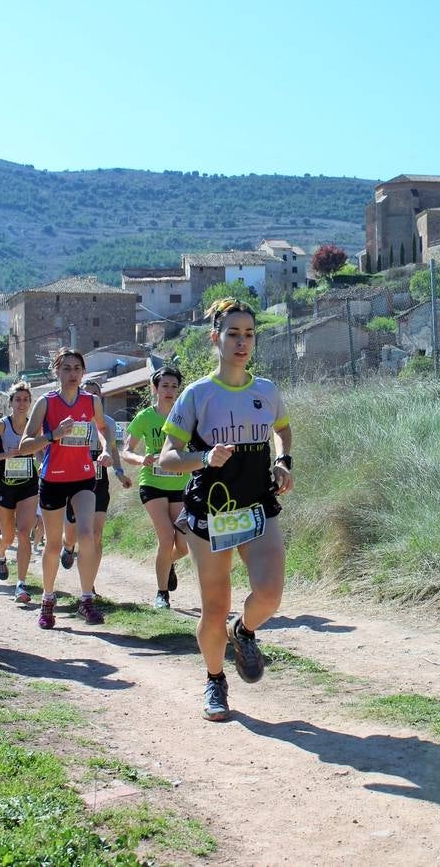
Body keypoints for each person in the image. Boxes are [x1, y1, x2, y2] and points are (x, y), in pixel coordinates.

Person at [159, 298, 293, 721]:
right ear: (215, 338)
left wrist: (282, 461)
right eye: (233, 334)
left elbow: (283, 433)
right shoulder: (198, 394)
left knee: (270, 593)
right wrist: (203, 458)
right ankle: (215, 680)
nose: (242, 342)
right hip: (211, 514)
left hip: (257, 506)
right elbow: (167, 458)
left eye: (249, 334)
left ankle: (245, 630)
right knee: (214, 607)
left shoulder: (266, 390)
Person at [20, 348, 112, 629]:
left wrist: (106, 450)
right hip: (53, 479)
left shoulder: (91, 401)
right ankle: (48, 600)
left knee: (87, 535)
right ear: (56, 371)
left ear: (83, 373)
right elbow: (25, 444)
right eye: (66, 368)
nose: (72, 374)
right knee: (54, 544)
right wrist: (52, 435)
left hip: (84, 476)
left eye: (77, 369)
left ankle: (86, 600)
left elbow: (103, 429)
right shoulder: (45, 403)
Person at [121, 366, 188, 608]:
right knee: (166, 538)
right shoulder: (145, 417)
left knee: (183, 546)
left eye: (173, 386)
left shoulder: (186, 416)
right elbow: (126, 451)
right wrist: (141, 459)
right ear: (155, 389)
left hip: (180, 485)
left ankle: (166, 564)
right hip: (152, 485)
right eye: (164, 386)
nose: (169, 391)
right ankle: (162, 593)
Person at [61, 379, 132, 585]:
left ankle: (89, 583)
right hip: (74, 482)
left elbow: (113, 450)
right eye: (87, 394)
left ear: (100, 399)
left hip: (99, 483)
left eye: (95, 395)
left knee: (96, 534)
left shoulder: (108, 423)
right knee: (72, 536)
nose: (91, 399)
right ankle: (68, 546)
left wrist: (119, 473)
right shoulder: (70, 420)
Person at [0, 381, 38, 603]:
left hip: (28, 483)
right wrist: (6, 456)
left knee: (25, 533)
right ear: (11, 402)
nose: (22, 403)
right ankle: (0, 552)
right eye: (18, 399)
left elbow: (43, 449)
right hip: (4, 484)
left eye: (26, 399)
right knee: (8, 536)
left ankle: (21, 584)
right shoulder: (1, 425)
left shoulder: (34, 426)